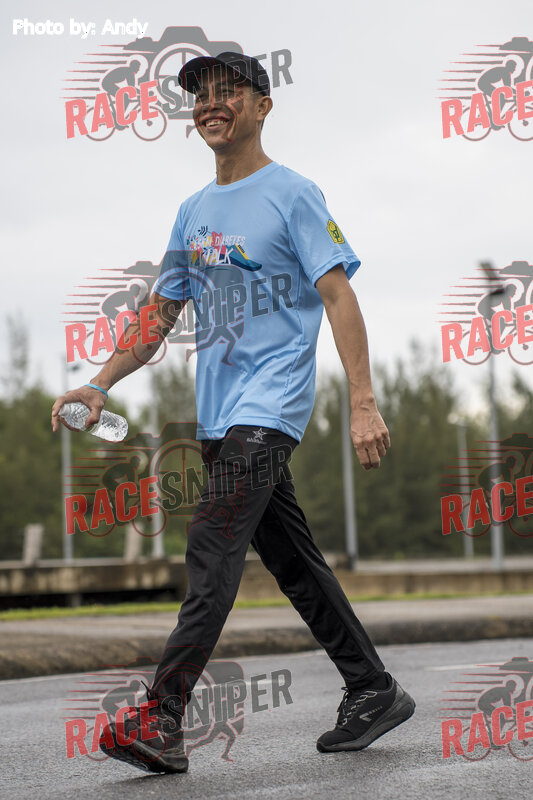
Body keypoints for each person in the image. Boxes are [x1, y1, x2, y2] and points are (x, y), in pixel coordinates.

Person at [52, 51, 415, 775]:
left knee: (211, 545)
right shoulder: (192, 211)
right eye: (200, 95)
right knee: (292, 564)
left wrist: (363, 401)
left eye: (228, 92)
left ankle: (162, 718)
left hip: (271, 405)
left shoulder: (294, 193)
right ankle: (372, 688)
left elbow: (338, 295)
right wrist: (100, 383)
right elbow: (159, 314)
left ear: (262, 106)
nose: (210, 104)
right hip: (219, 417)